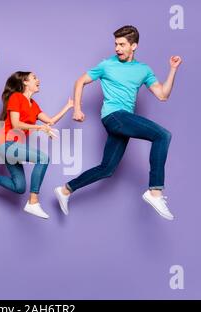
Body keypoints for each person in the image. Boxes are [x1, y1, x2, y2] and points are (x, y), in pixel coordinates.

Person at [54, 26, 182, 220]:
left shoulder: (143, 70)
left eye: (122, 44)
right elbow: (80, 81)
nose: (117, 48)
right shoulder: (107, 65)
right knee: (163, 135)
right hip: (114, 116)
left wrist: (172, 70)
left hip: (123, 120)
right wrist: (78, 109)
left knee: (107, 168)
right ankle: (155, 191)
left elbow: (162, 95)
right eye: (116, 44)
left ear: (134, 46)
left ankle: (65, 190)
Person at [0, 71, 73, 219]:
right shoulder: (16, 97)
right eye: (34, 77)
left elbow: (50, 121)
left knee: (19, 187)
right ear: (25, 82)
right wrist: (39, 128)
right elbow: (15, 124)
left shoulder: (34, 105)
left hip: (13, 147)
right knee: (43, 158)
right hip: (5, 143)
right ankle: (33, 202)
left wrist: (68, 106)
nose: (38, 80)